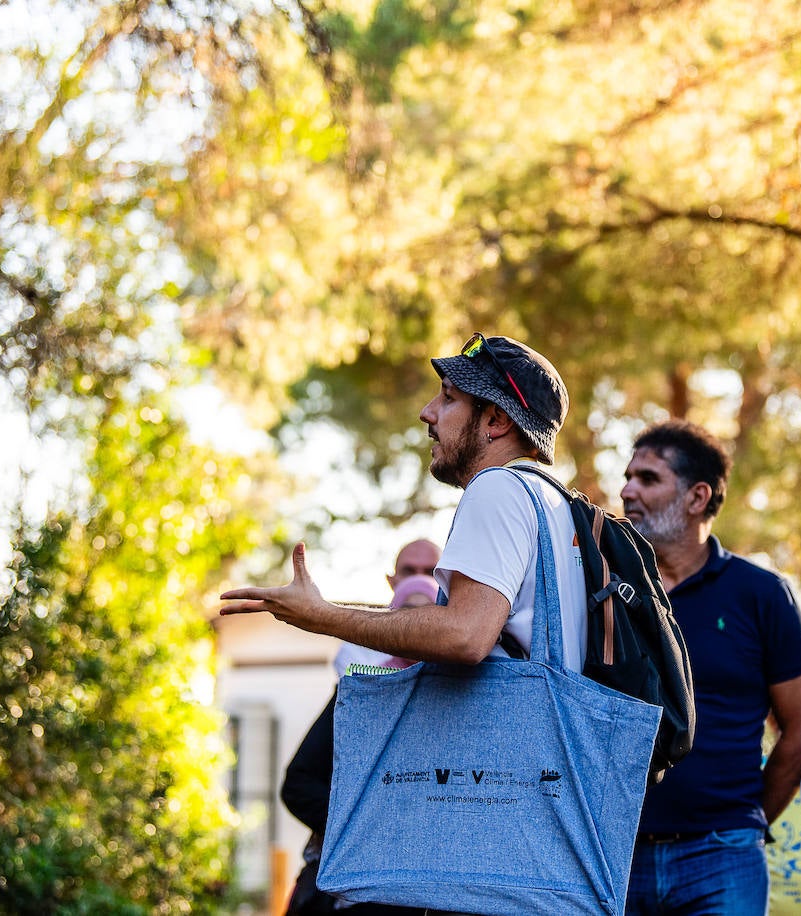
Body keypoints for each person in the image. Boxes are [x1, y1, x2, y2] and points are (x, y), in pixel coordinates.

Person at [222, 332, 584, 913]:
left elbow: (465, 635)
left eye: (448, 398)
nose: (428, 413)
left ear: (494, 420)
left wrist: (323, 617)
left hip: (485, 829)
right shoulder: (557, 508)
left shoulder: (497, 491)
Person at [619, 420, 801, 916]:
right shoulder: (605, 587)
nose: (626, 491)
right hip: (614, 855)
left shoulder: (762, 595)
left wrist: (743, 821)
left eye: (647, 479)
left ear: (696, 497)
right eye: (628, 477)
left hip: (722, 858)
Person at [281, 571, 440, 916]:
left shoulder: (458, 698)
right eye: (405, 613)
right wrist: (365, 825)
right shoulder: (362, 691)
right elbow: (299, 783)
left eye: (429, 614)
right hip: (351, 895)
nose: (416, 624)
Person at [332, 539, 441, 677]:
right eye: (409, 572)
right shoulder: (358, 645)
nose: (419, 580)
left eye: (432, 573)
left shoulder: (462, 645)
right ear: (391, 581)